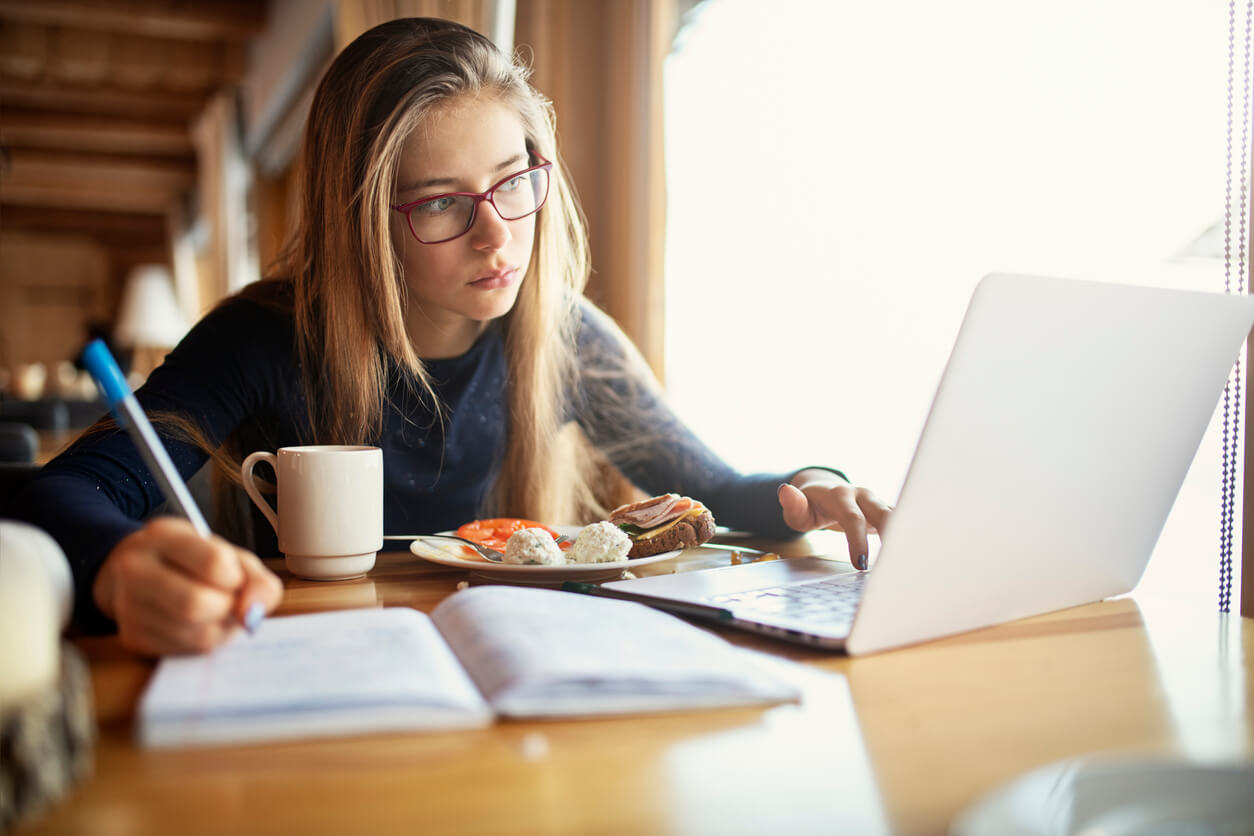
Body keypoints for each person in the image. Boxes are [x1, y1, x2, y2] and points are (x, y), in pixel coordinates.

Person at [4, 17, 892, 657]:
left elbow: (715, 492)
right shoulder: (264, 336)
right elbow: (58, 494)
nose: (497, 234)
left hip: (518, 669)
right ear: (365, 223)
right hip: (315, 669)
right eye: (438, 202)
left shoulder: (567, 338)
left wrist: (816, 485)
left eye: (513, 182)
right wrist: (120, 564)